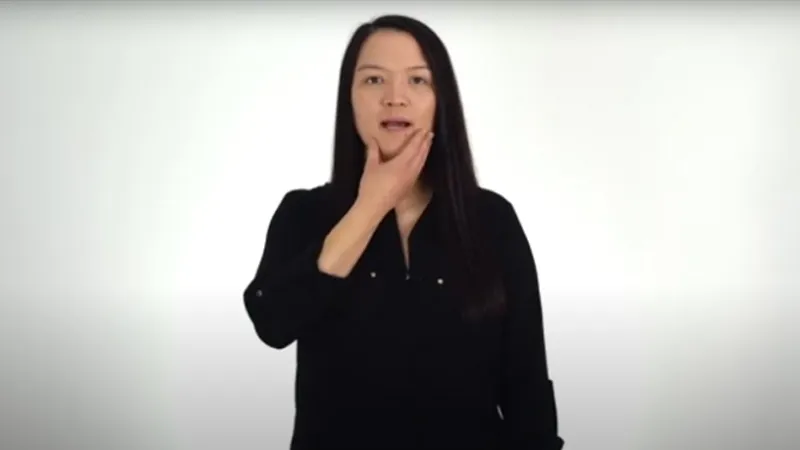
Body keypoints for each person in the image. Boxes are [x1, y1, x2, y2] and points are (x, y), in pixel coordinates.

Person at [243, 14, 564, 450]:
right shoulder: (304, 212)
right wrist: (370, 205)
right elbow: (273, 322)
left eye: (418, 81)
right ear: (350, 97)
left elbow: (526, 385)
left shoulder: (492, 219)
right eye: (374, 80)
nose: (395, 98)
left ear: (440, 99)